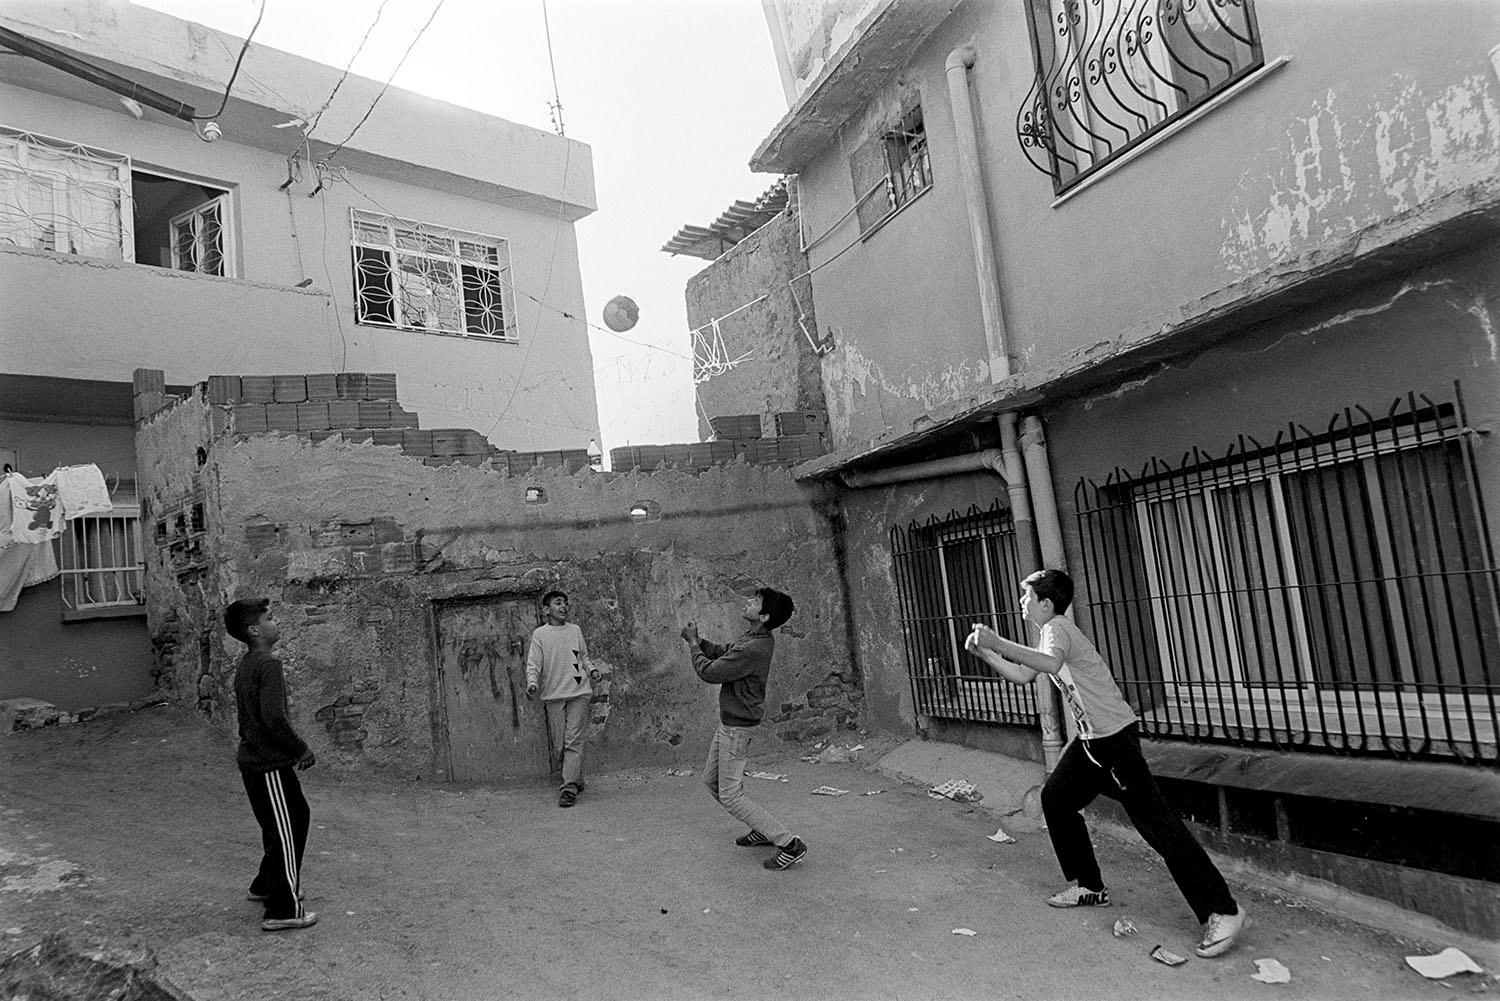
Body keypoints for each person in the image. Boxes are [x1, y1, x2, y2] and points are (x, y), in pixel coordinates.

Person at [964, 568, 1247, 958]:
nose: (1021, 603)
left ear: (1046, 604)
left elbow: (1044, 665)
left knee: (1159, 828)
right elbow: (1024, 675)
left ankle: (1222, 910)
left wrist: (996, 640)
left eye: (1025, 596)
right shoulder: (1049, 634)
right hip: (1093, 741)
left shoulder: (1057, 629)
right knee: (1057, 800)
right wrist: (988, 653)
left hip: (1115, 742)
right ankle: (1089, 886)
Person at [681, 587, 806, 871]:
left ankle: (788, 843)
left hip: (737, 728)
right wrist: (700, 640)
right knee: (712, 782)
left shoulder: (753, 647)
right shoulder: (756, 637)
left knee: (730, 795)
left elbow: (710, 672)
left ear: (762, 616)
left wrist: (692, 645)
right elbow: (726, 653)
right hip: (730, 722)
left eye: (754, 601)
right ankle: (762, 828)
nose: (747, 601)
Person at [225, 597, 318, 932]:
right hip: (268, 765)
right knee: (287, 829)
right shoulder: (269, 664)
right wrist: (301, 748)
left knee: (288, 821)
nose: (274, 622)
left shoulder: (248, 662)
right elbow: (273, 718)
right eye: (269, 618)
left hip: (256, 762)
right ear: (255, 630)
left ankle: (266, 884)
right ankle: (283, 907)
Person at [525, 590, 600, 808]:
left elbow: (583, 656)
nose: (564, 607)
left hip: (579, 692)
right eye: (558, 603)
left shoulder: (575, 630)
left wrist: (592, 670)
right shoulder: (540, 635)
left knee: (573, 741)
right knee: (559, 745)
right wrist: (532, 683)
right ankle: (576, 777)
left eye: (566, 603)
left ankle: (568, 789)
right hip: (554, 696)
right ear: (546, 610)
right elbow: (533, 664)